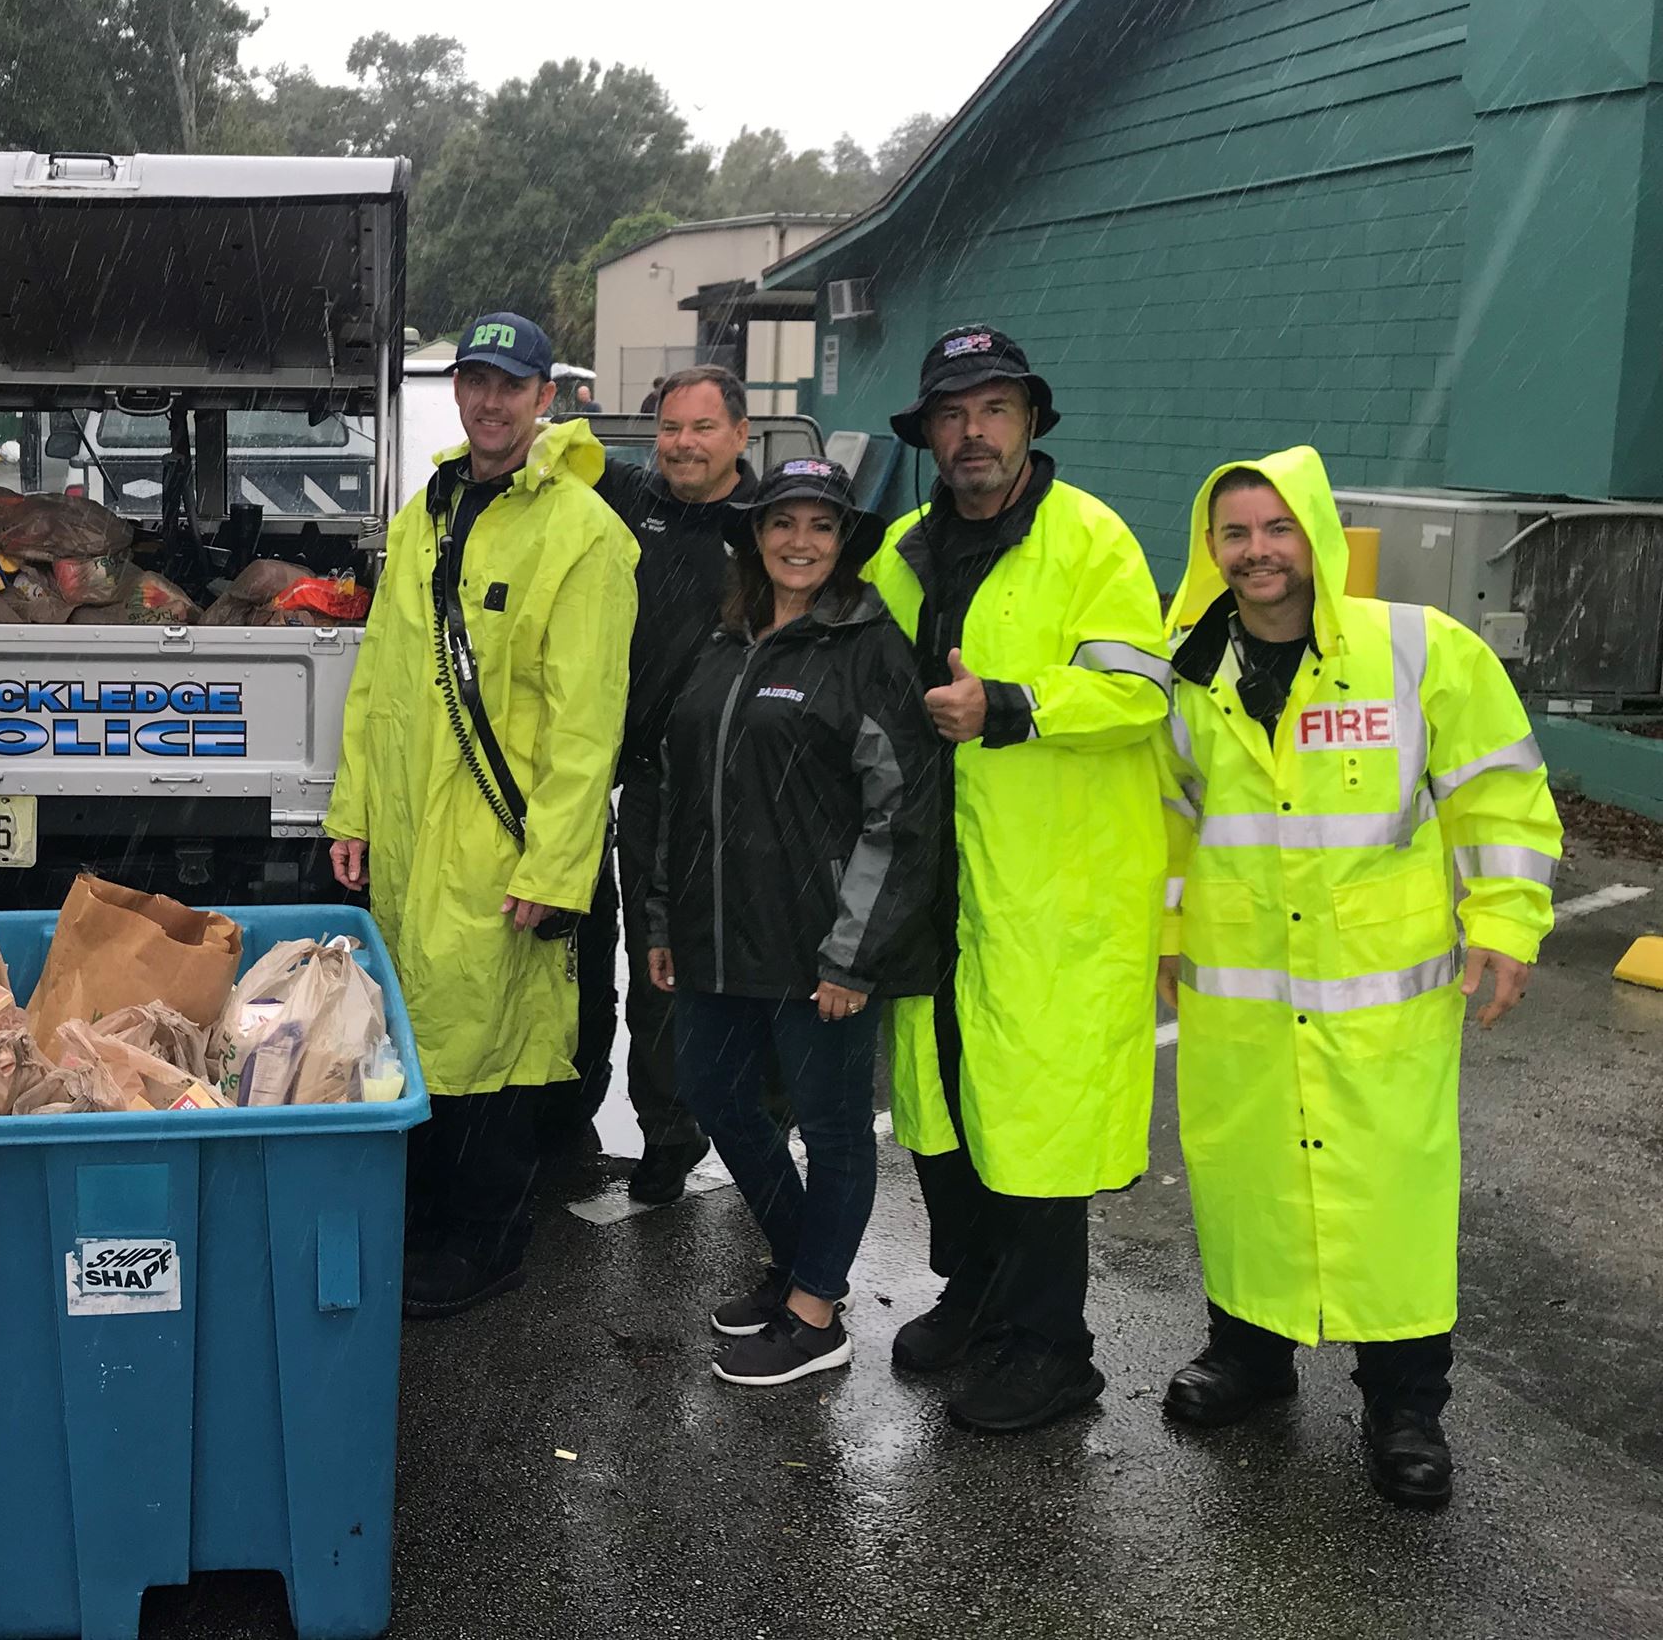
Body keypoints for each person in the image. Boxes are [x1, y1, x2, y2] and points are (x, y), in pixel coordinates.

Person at [1154, 446, 1560, 1509]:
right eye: (1234, 533)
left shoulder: (1420, 651)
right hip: (1238, 991)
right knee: (1245, 1181)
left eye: (1275, 529)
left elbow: (1496, 796)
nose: (1256, 552)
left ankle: (1403, 1406)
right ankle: (1248, 1355)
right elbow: (1165, 820)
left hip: (1381, 1000)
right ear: (1211, 550)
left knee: (1390, 1197)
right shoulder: (1185, 673)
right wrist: (1162, 933)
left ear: (1316, 537)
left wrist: (1506, 922)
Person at [867, 324, 1170, 1433]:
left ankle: (1053, 1349)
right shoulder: (901, 547)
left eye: (993, 409)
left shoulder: (1090, 540)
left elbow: (1141, 697)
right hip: (932, 880)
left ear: (1029, 421)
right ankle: (976, 1292)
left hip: (1049, 894)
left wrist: (1009, 703)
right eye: (951, 415)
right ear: (929, 435)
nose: (971, 433)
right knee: (944, 1104)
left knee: (1034, 1123)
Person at [325, 311, 636, 1319]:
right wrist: (352, 813)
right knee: (419, 1036)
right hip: (414, 845)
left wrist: (554, 871)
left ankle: (489, 1243)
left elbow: (586, 728)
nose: (489, 401)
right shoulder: (428, 512)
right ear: (456, 391)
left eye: (510, 384)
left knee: (495, 1053)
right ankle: (426, 1223)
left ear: (545, 398)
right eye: (474, 381)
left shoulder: (583, 534)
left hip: (503, 849)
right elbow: (377, 676)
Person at [643, 458, 948, 1386]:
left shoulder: (868, 650)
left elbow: (903, 813)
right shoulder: (724, 639)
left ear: (844, 541)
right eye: (783, 524)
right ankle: (802, 1263)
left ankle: (817, 1316)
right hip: (713, 936)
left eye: (821, 525)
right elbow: (675, 785)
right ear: (756, 537)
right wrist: (661, 916)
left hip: (820, 947)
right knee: (712, 1090)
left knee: (835, 1126)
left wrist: (854, 956)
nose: (800, 542)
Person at [564, 363, 762, 1203]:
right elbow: (552, 445)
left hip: (740, 785)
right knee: (649, 972)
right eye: (671, 428)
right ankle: (664, 1135)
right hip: (637, 777)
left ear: (740, 437)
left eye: (703, 429)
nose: (683, 444)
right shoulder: (627, 496)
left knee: (754, 962)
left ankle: (768, 1135)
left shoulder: (766, 526)